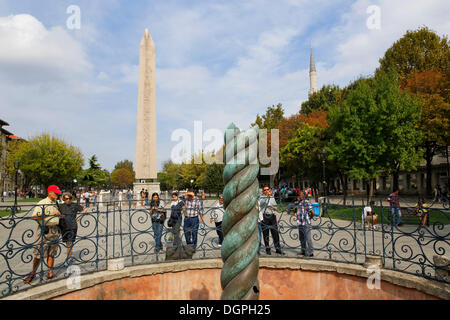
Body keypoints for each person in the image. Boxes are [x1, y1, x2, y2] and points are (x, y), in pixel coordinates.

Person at [24, 185, 62, 283]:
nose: (58, 194)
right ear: (50, 193)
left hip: (54, 229)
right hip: (44, 230)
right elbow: (35, 216)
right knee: (39, 253)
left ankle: (50, 273)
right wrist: (51, 214)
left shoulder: (55, 203)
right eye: (56, 192)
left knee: (52, 252)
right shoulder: (42, 203)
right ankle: (32, 274)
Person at [58, 192, 87, 264]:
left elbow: (84, 209)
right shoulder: (61, 206)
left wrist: (79, 217)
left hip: (72, 225)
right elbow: (58, 213)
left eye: (69, 198)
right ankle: (69, 256)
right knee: (67, 243)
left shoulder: (74, 205)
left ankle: (69, 257)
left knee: (69, 242)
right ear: (63, 199)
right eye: (66, 198)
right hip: (64, 225)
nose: (68, 200)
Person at [259, 186, 284, 255]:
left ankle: (278, 248)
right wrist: (267, 197)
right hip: (265, 216)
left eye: (268, 189)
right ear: (263, 191)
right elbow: (261, 204)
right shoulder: (261, 198)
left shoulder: (272, 197)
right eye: (265, 190)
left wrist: (274, 208)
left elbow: (275, 206)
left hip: (272, 216)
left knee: (275, 233)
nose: (267, 191)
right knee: (266, 233)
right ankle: (267, 249)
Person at [297, 191, 315, 257]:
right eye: (299, 195)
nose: (300, 196)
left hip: (306, 223)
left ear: (304, 195)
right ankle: (303, 251)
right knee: (301, 238)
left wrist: (310, 218)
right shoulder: (300, 202)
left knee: (308, 238)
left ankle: (310, 252)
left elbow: (312, 212)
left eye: (301, 195)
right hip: (300, 222)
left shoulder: (306, 202)